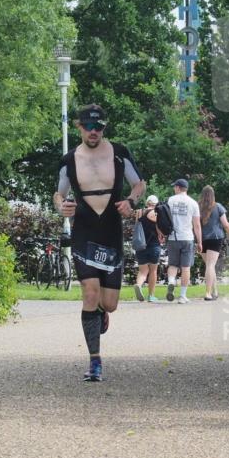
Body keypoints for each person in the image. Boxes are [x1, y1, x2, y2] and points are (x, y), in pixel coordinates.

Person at [54, 104, 145, 383]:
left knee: (110, 303)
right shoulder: (69, 160)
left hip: (110, 231)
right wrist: (62, 208)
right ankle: (95, 362)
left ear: (104, 128)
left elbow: (139, 184)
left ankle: (103, 314)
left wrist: (130, 202)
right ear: (79, 128)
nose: (94, 132)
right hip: (84, 230)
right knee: (90, 294)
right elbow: (58, 195)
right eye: (89, 127)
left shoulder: (119, 153)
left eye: (99, 127)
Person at [165, 178, 202, 303]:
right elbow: (197, 225)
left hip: (172, 237)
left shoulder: (170, 200)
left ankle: (171, 281)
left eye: (174, 187)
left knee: (173, 264)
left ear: (178, 188)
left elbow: (163, 217)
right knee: (186, 267)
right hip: (187, 238)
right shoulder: (193, 203)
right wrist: (200, 242)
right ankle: (182, 296)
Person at [198, 185, 229, 301]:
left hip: (202, 239)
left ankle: (215, 290)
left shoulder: (198, 207)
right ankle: (208, 293)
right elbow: (225, 224)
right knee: (210, 265)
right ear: (213, 195)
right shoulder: (218, 206)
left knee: (209, 266)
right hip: (215, 238)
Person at [134, 194, 161, 303]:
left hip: (140, 245)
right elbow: (159, 227)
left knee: (143, 271)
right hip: (153, 245)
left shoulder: (138, 212)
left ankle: (139, 284)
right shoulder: (155, 213)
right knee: (153, 270)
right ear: (156, 204)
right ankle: (151, 295)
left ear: (147, 203)